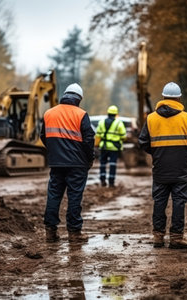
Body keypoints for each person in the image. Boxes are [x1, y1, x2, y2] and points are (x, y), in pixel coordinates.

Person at [138, 82, 187, 249]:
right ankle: (176, 237)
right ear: (179, 98)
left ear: (163, 97)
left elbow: (143, 141)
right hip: (182, 168)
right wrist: (185, 155)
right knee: (179, 201)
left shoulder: (151, 118)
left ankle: (158, 237)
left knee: (159, 201)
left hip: (160, 168)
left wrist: (157, 154)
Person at [40, 83, 95, 243]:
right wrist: (89, 158)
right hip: (77, 164)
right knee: (74, 196)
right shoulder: (81, 114)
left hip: (56, 163)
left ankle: (50, 232)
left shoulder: (49, 113)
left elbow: (43, 136)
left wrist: (55, 151)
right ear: (79, 99)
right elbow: (88, 140)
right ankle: (74, 233)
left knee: (54, 195)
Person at [95, 105, 127, 187]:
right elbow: (123, 136)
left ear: (108, 113)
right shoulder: (119, 123)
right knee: (113, 164)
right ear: (116, 114)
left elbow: (97, 135)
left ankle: (102, 180)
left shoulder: (101, 122)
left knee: (102, 163)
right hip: (114, 147)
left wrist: (96, 145)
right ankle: (111, 182)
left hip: (104, 146)